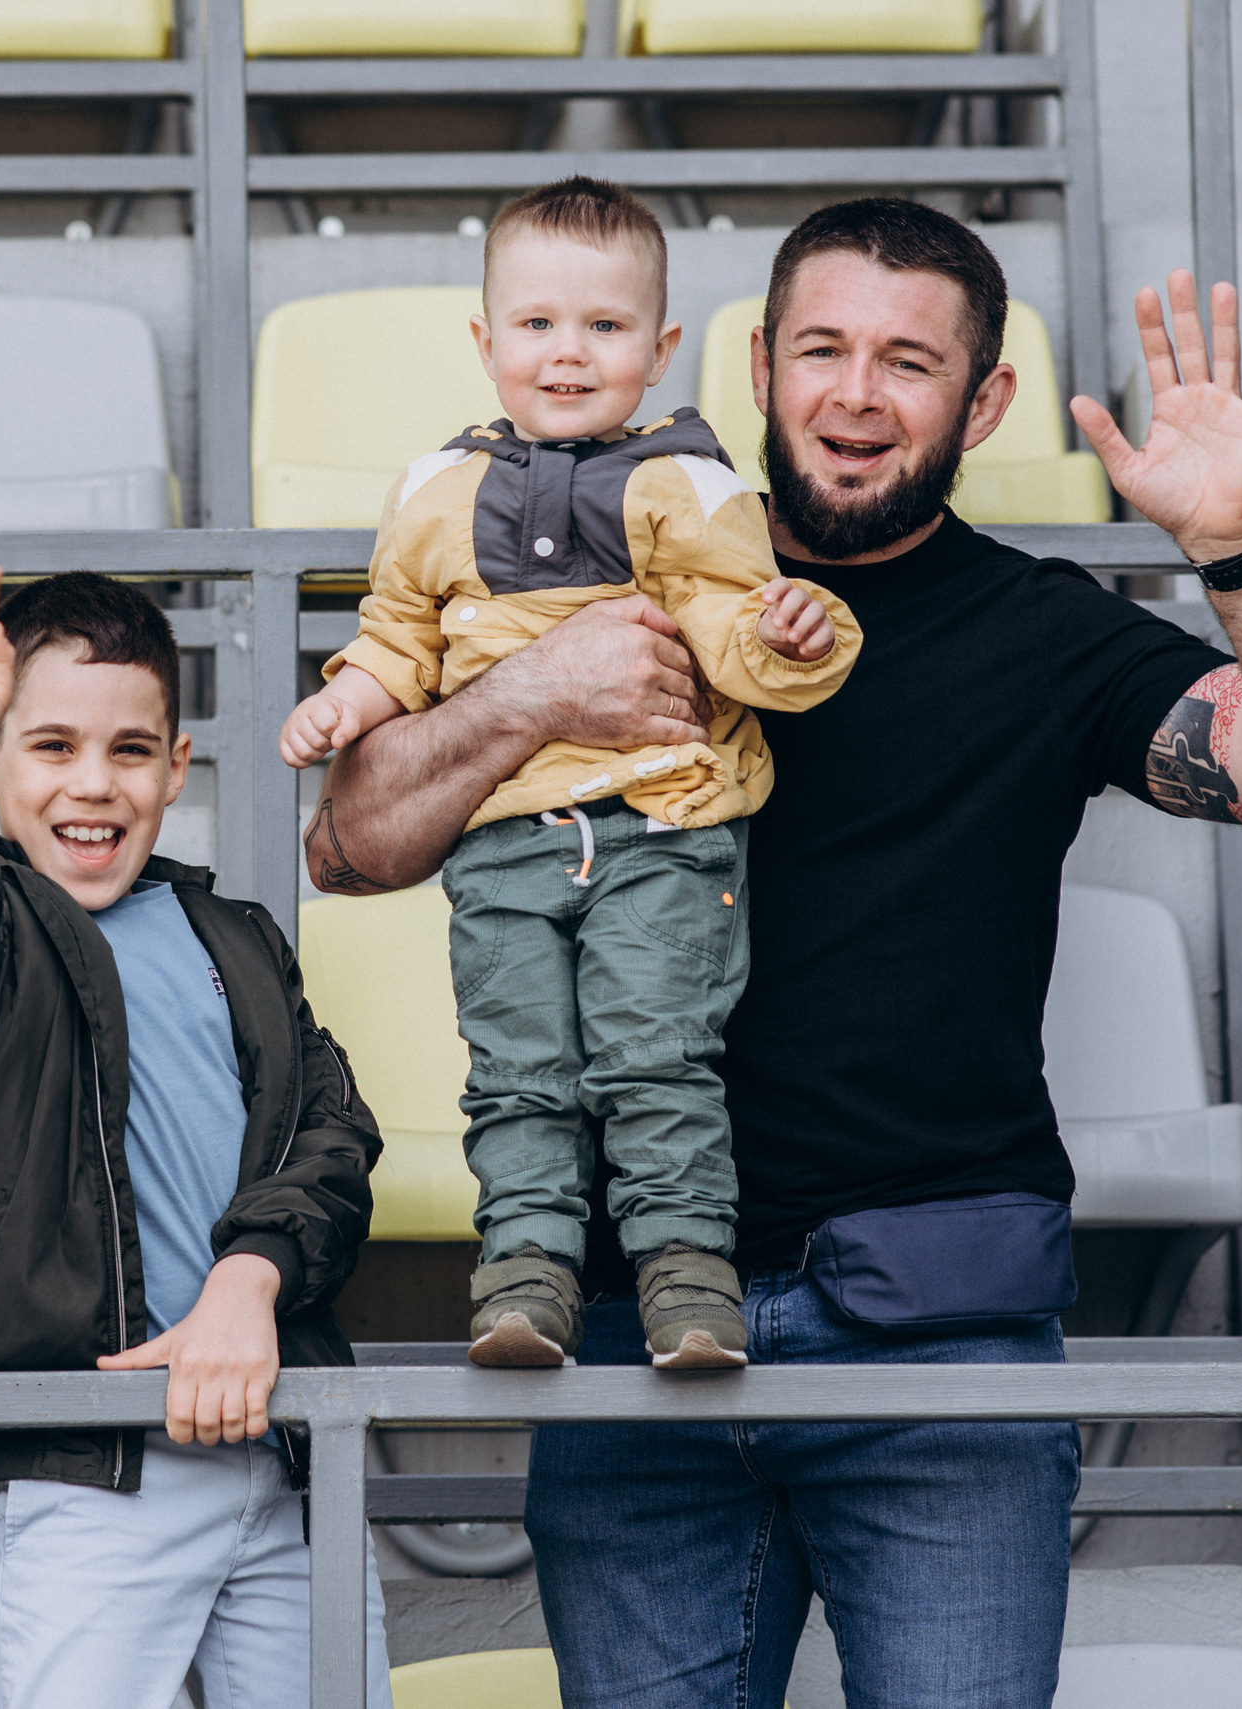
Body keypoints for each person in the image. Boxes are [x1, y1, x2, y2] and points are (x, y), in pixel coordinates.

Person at [303, 197, 1242, 1706]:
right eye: (822, 348)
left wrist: (1234, 544)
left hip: (940, 1344)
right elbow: (346, 844)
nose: (856, 394)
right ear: (758, 364)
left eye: (909, 360)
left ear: (985, 399)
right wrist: (531, 696)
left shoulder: (1043, 630)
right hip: (630, 1328)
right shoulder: (570, 579)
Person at [279, 176, 862, 1372]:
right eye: (537, 326)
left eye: (602, 328)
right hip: (501, 844)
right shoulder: (433, 490)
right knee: (519, 1068)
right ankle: (525, 1275)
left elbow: (730, 629)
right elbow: (401, 636)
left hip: (660, 825)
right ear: (486, 343)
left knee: (656, 1058)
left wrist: (791, 639)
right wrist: (347, 697)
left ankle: (687, 1278)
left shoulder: (688, 484)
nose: (566, 354)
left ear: (658, 350)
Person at [0, 546, 392, 1709]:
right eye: (51, 746)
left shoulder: (236, 937)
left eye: (129, 749)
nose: (93, 782)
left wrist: (248, 1282)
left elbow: (331, 1140)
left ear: (177, 766)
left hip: (286, 1460)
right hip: (88, 1467)